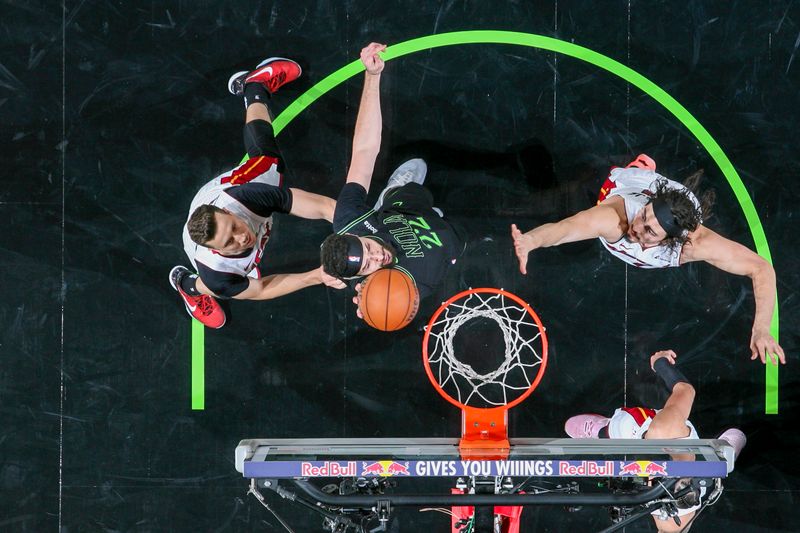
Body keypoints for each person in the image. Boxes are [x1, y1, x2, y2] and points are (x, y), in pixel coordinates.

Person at [510, 154, 784, 365]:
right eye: (644, 216)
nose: (637, 228)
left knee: (693, 216)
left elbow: (761, 269)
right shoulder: (617, 219)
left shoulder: (692, 245)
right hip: (628, 183)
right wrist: (532, 241)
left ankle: (646, 172)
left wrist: (761, 329)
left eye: (650, 230)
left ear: (669, 242)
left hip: (677, 208)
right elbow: (565, 229)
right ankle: (641, 167)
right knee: (591, 195)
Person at [169, 56, 338, 328]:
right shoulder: (217, 273)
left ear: (227, 212)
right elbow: (259, 289)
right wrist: (317, 275)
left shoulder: (247, 198)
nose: (242, 237)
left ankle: (255, 86)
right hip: (214, 272)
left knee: (269, 161)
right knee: (218, 286)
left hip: (227, 191)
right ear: (214, 249)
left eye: (234, 227)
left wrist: (358, 227)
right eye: (230, 242)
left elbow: (325, 208)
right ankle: (187, 285)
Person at [319, 43, 465, 313]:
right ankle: (436, 219)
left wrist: (372, 76)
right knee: (455, 241)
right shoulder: (388, 290)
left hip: (403, 209)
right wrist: (380, 308)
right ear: (356, 279)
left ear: (356, 234)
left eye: (368, 248)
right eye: (368, 265)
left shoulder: (349, 218)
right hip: (444, 246)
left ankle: (393, 190)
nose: (378, 256)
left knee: (410, 188)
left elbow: (364, 150)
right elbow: (394, 312)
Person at [564, 349, 747, 532]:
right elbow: (685, 389)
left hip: (640, 441)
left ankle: (604, 431)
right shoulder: (665, 430)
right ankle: (604, 430)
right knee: (731, 445)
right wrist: (660, 362)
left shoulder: (670, 514)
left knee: (671, 527)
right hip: (650, 429)